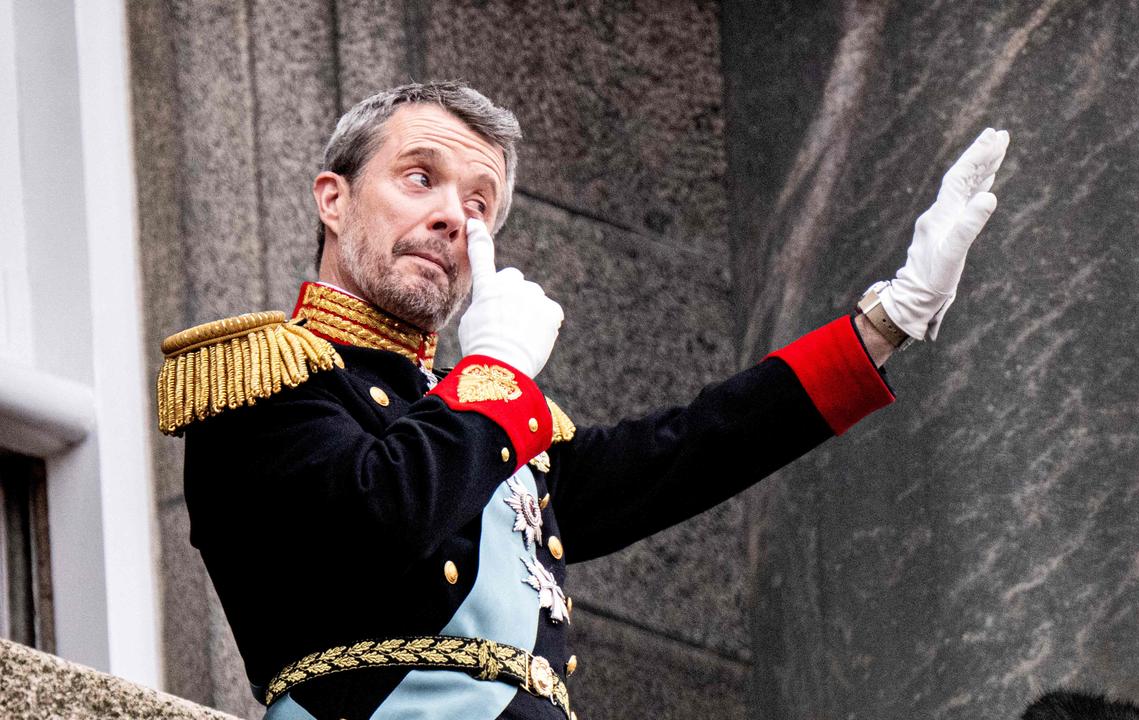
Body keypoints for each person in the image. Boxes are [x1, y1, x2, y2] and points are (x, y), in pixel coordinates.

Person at [156, 81, 1009, 720]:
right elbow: (376, 517)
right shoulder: (259, 378)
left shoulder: (485, 417)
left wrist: (883, 323)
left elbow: (686, 449)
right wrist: (491, 372)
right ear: (332, 199)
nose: (457, 217)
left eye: (480, 203)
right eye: (421, 179)